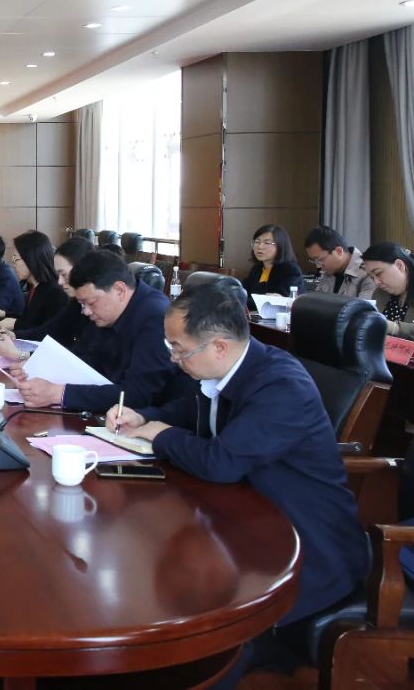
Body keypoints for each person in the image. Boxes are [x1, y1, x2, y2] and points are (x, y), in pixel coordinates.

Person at [107, 281, 368, 686]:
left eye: (178, 349)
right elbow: (189, 410)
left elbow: (222, 463)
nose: (174, 359)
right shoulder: (226, 369)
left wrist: (161, 436)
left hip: (305, 545)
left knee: (203, 627)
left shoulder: (281, 386)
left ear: (219, 346)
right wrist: (145, 417)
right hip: (240, 519)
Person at [15, 250, 177, 413]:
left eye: (91, 303)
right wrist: (39, 367)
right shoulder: (105, 312)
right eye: (82, 304)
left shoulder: (156, 318)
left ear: (119, 290)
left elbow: (138, 394)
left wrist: (60, 394)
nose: (86, 311)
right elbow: (83, 356)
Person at [0, 236, 96, 358]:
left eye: (64, 274)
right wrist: (13, 335)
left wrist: (21, 355)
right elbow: (49, 330)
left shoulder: (57, 292)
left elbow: (77, 351)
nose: (60, 281)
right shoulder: (75, 303)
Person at [0, 231, 67, 332]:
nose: (14, 264)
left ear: (31, 258)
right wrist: (4, 314)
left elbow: (46, 331)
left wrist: (15, 324)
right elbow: (29, 320)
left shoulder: (55, 291)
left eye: (16, 258)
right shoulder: (34, 286)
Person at [304, 226, 376, 299]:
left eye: (320, 260)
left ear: (339, 251)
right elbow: (317, 302)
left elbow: (364, 305)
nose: (318, 266)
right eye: (315, 261)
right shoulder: (327, 273)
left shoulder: (369, 272)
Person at [362, 241, 414, 338]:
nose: (376, 282)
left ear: (399, 265)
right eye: (372, 277)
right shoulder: (379, 293)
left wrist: (394, 328)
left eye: (378, 273)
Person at [240, 224, 304, 303]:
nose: (260, 246)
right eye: (257, 242)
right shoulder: (257, 268)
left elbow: (277, 301)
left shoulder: (290, 270)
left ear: (280, 245)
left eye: (267, 243)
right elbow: (244, 290)